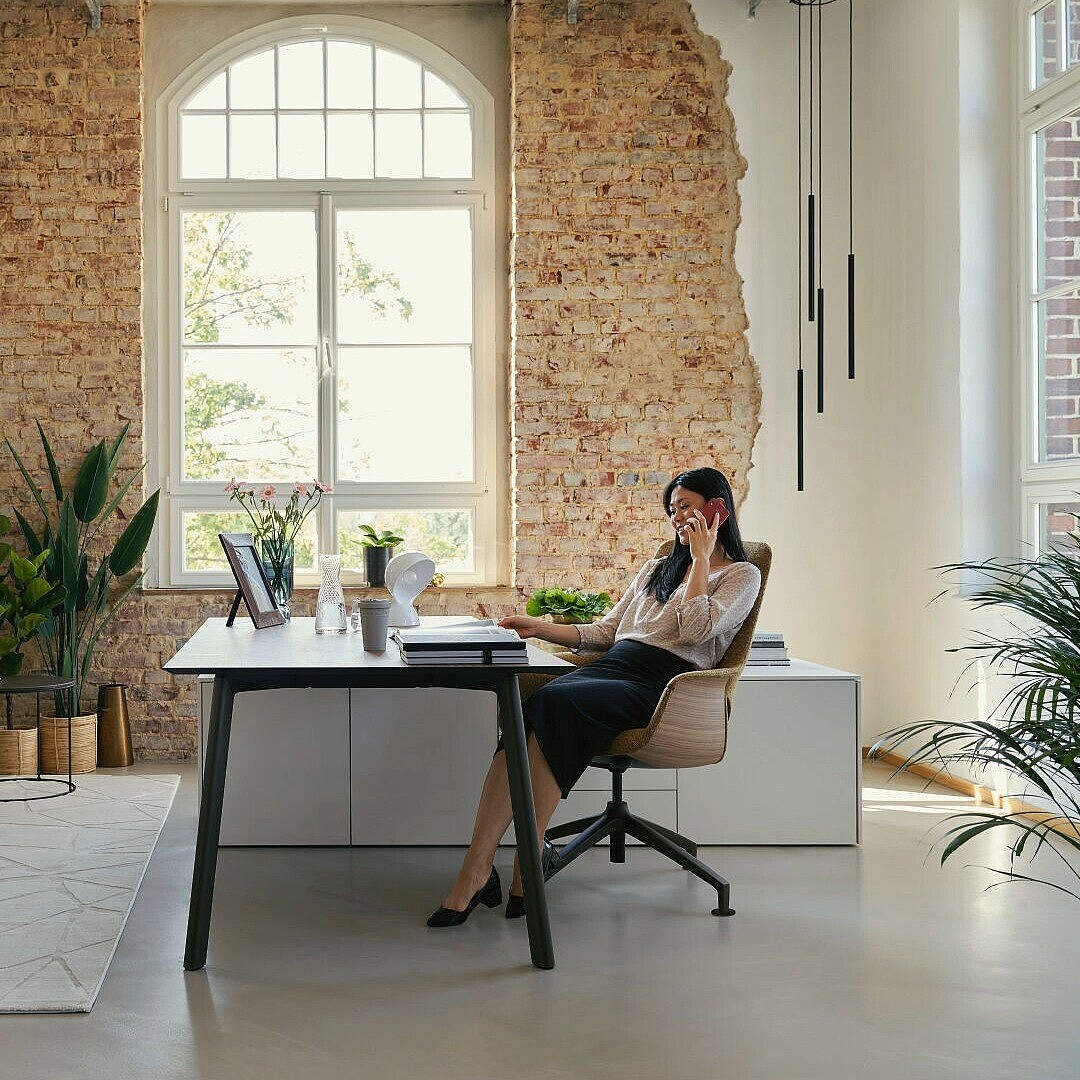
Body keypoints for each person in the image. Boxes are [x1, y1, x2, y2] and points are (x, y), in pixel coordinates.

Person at [426, 467, 762, 927]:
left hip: (663, 687)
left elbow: (697, 630)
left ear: (716, 509)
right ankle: (483, 866)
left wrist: (702, 559)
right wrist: (540, 628)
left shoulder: (741, 575)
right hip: (613, 669)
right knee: (529, 706)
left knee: (554, 705)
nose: (677, 517)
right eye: (672, 510)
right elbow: (607, 631)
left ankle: (518, 861)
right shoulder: (656, 568)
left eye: (686, 506)